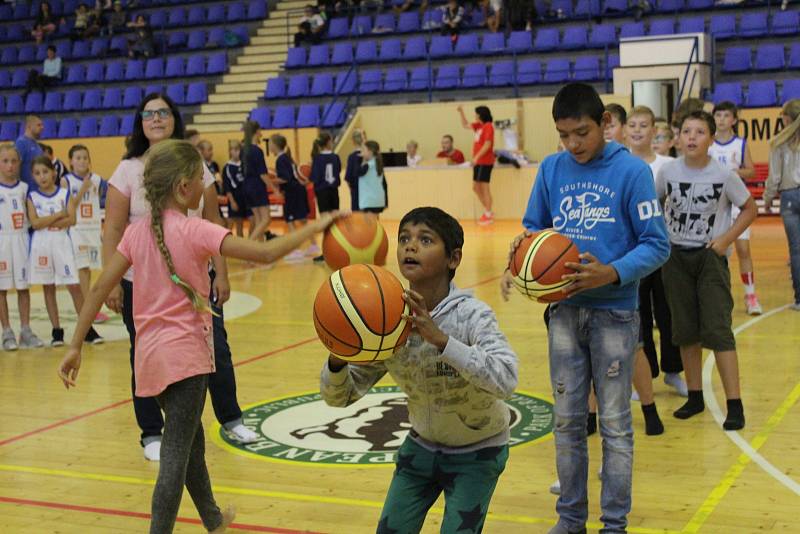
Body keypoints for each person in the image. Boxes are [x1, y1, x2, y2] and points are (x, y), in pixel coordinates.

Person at [58, 139, 341, 533]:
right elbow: (266, 254)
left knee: (190, 445)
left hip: (149, 361)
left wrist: (75, 345)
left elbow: (101, 287)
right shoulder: (196, 229)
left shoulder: (137, 233)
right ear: (183, 189)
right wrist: (318, 224)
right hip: (186, 361)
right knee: (176, 455)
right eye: (199, 178)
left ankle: (213, 520)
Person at [500, 83, 670, 534]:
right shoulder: (553, 169)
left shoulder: (632, 173)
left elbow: (658, 246)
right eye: (564, 135)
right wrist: (522, 253)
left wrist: (611, 272)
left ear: (605, 125)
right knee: (568, 422)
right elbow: (535, 230)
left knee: (615, 426)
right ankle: (570, 519)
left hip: (615, 313)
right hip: (564, 314)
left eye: (582, 133)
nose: (573, 144)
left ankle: (614, 525)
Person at [321, 206, 518, 533]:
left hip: (479, 451)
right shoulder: (387, 319)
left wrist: (442, 341)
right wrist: (338, 356)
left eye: (425, 239)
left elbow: (506, 378)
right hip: (421, 447)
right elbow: (339, 397)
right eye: (404, 239)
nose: (410, 246)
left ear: (453, 258)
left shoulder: (472, 316)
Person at [104, 93, 259, 462]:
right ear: (140, 122)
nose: (156, 118)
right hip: (142, 285)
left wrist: (221, 272)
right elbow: (112, 229)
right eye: (149, 113)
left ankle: (231, 417)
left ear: (174, 118)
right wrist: (111, 281)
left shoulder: (195, 165)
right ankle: (151, 432)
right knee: (142, 355)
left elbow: (213, 222)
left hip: (194, 280)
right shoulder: (127, 170)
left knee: (216, 348)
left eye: (163, 112)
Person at [655, 110, 756, 430]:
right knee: (685, 330)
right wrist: (661, 237)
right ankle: (695, 396)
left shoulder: (723, 174)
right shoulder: (668, 171)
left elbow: (749, 208)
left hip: (710, 258)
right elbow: (654, 204)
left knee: (718, 330)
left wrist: (726, 239)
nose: (692, 137)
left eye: (699, 132)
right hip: (675, 258)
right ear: (678, 137)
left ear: (711, 139)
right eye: (686, 131)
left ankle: (734, 403)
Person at [625, 105, 687, 403]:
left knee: (668, 313)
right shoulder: (619, 164)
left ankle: (673, 370)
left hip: (663, 251)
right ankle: (644, 377)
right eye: (632, 125)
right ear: (625, 130)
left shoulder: (667, 165)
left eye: (643, 125)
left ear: (654, 131)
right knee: (639, 316)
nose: (637, 130)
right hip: (631, 254)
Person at [26, 156, 90, 347]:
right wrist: (58, 214)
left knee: (74, 286)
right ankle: (57, 331)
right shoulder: (32, 197)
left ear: (53, 173)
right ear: (33, 176)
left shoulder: (64, 193)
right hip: (42, 245)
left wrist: (48, 220)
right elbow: (35, 224)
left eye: (45, 172)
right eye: (37, 173)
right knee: (48, 287)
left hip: (62, 243)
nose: (42, 176)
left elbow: (71, 220)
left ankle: (86, 329)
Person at [708, 101, 762, 316]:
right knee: (717, 252)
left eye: (725, 115)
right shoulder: (708, 144)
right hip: (714, 204)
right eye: (717, 115)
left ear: (734, 119)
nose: (721, 119)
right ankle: (720, 296)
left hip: (737, 204)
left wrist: (732, 173)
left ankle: (750, 295)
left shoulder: (740, 143)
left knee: (743, 250)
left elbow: (751, 171)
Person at [0, 144, 46, 351]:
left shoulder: (25, 189)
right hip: (2, 241)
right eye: (5, 161)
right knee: (1, 289)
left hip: (21, 241)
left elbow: (33, 219)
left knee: (23, 288)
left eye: (13, 161)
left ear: (20, 163)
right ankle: (6, 331)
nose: (10, 165)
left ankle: (25, 330)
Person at [63, 144, 109, 330]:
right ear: (71, 162)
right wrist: (83, 189)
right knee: (82, 269)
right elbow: (68, 207)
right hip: (76, 229)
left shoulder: (98, 180)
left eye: (84, 157)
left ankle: (87, 308)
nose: (82, 161)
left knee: (88, 270)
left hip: (93, 229)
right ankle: (86, 310)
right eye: (78, 158)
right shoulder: (66, 181)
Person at [764, 99, 800, 311]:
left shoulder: (778, 142)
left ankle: (799, 298)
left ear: (786, 118)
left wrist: (768, 199)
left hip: (789, 196)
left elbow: (774, 177)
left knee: (796, 250)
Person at [269, 134, 317, 262]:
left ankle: (296, 250)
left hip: (293, 192)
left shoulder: (281, 159)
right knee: (303, 220)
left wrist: (271, 180)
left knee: (290, 221)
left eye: (270, 144)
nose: (269, 146)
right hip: (298, 191)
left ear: (274, 145)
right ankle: (313, 245)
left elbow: (285, 178)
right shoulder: (286, 157)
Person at [457, 105, 495, 225]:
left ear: (481, 114)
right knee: (476, 187)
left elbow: (487, 144)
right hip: (479, 162)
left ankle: (488, 214)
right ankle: (488, 211)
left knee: (484, 187)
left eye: (476, 113)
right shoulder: (479, 126)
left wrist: (476, 157)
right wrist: (461, 112)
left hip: (485, 161)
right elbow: (465, 125)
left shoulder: (488, 127)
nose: (475, 115)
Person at [240, 120, 273, 241]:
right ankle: (248, 245)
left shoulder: (244, 149)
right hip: (256, 186)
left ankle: (259, 250)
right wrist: (274, 189)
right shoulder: (257, 151)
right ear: (257, 131)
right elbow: (263, 174)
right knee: (266, 219)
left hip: (247, 186)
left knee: (259, 220)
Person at [310, 132, 341, 261]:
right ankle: (338, 251)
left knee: (325, 223)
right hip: (333, 191)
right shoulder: (335, 157)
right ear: (328, 142)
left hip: (322, 192)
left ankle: (326, 253)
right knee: (334, 222)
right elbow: (337, 171)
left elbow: (314, 178)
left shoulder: (317, 159)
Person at [223, 140, 250, 238]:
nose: (236, 152)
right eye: (233, 150)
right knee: (232, 224)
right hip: (235, 198)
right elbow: (227, 187)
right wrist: (232, 201)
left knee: (241, 224)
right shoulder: (227, 167)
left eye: (238, 150)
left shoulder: (243, 165)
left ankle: (242, 247)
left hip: (244, 199)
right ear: (230, 151)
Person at [357, 140, 387, 214]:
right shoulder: (377, 164)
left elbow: (357, 172)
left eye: (364, 150)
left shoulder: (368, 165)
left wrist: (362, 160)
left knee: (369, 225)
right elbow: (384, 184)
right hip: (378, 201)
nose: (361, 152)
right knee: (375, 223)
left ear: (370, 152)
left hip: (369, 202)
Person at [15, 116, 44, 192]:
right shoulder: (21, 143)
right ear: (29, 126)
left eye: (42, 125)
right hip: (26, 191)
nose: (42, 127)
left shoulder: (38, 146)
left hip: (37, 191)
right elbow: (16, 167)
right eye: (39, 125)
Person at [344, 129, 364, 210]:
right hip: (368, 193)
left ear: (353, 141)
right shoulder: (369, 156)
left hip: (355, 192)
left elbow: (348, 178)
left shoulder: (352, 157)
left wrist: (352, 190)